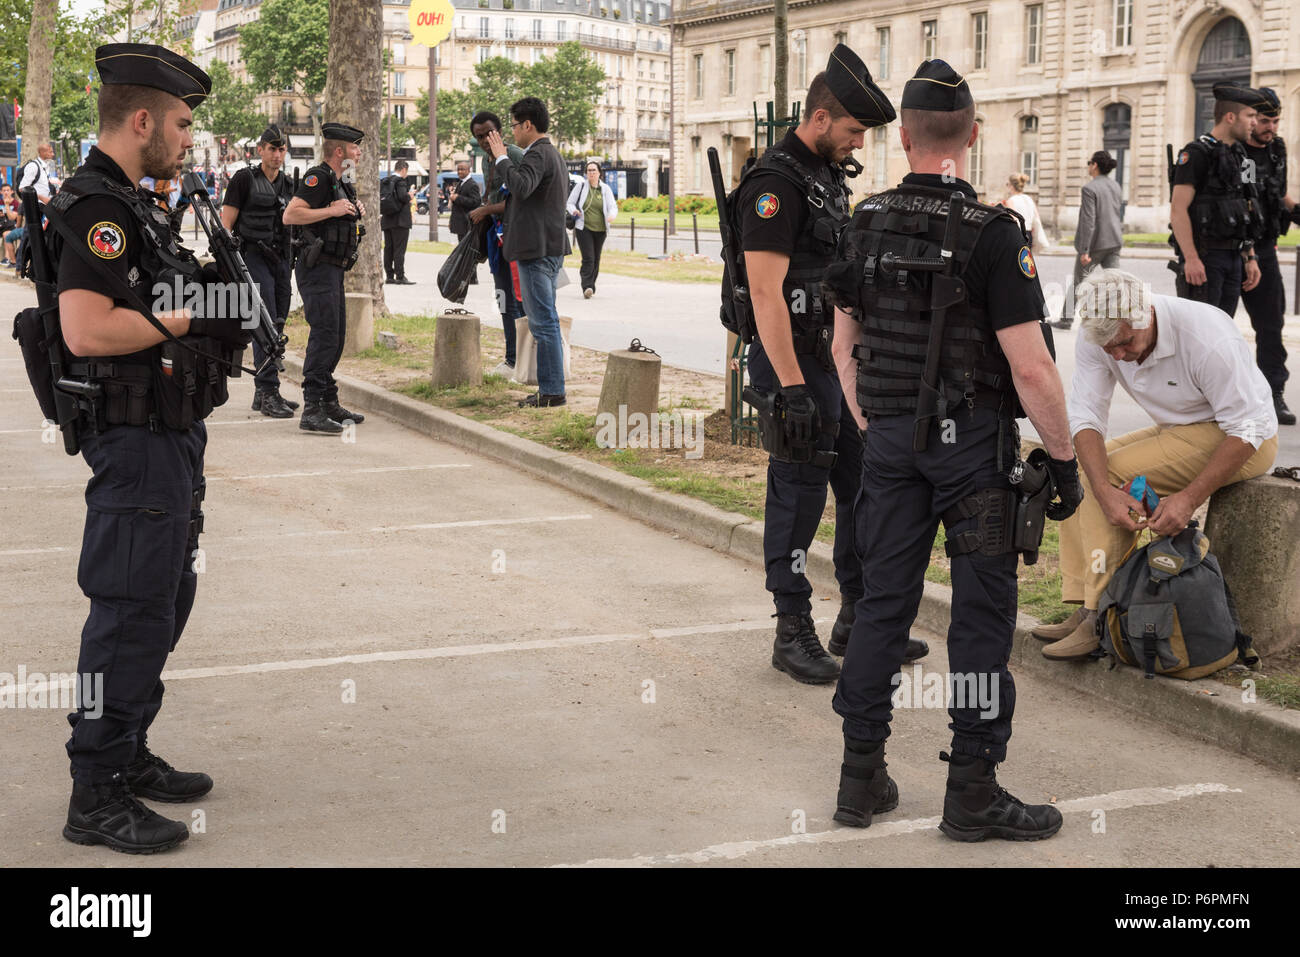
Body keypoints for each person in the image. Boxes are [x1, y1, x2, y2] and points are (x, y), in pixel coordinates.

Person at [824, 59, 1082, 840]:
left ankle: (859, 777)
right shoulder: (995, 235)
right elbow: (1033, 367)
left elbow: (844, 346)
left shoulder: (863, 219)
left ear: (901, 136)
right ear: (971, 137)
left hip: (893, 442)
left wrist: (876, 425)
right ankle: (971, 789)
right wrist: (1064, 465)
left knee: (879, 607)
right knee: (978, 617)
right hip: (972, 450)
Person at [48, 42, 253, 854]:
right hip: (133, 439)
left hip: (166, 432)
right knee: (130, 609)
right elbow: (86, 327)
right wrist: (189, 315)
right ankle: (94, 791)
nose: (187, 135)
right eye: (180, 121)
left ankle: (126, 750)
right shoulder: (97, 210)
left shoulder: (135, 203)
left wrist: (205, 294)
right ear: (142, 120)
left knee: (164, 599)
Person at [732, 45, 923, 685]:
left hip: (832, 363)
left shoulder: (822, 178)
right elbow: (765, 294)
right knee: (798, 494)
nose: (855, 144)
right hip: (792, 367)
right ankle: (792, 629)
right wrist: (789, 389)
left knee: (862, 483)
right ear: (819, 118)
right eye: (851, 131)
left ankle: (858, 618)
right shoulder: (774, 184)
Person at [1034, 268, 1279, 659]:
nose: (1117, 355)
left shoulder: (1207, 335)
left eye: (1125, 343)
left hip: (1246, 438)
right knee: (1086, 472)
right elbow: (1086, 416)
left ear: (1144, 314)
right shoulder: (1101, 334)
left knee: (1114, 473)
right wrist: (1100, 489)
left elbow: (1249, 426)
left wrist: (1187, 498)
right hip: (1181, 429)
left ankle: (1102, 620)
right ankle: (1085, 607)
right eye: (1108, 348)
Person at [484, 97, 570, 408]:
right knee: (546, 319)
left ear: (528, 125)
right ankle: (552, 388)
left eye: (515, 126)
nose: (513, 132)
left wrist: (501, 158)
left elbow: (521, 186)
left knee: (542, 322)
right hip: (548, 247)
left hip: (537, 250)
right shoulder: (553, 154)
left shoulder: (537, 154)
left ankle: (551, 392)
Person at [283, 121, 368, 433]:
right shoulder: (318, 177)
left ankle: (328, 400)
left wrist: (351, 208)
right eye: (355, 148)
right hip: (316, 268)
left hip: (333, 269)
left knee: (336, 335)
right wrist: (331, 211)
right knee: (324, 335)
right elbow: (291, 214)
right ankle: (312, 408)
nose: (359, 153)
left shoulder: (340, 181)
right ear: (339, 151)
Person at [221, 123, 299, 418]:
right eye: (272, 149)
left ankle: (262, 390)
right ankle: (269, 393)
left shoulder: (289, 184)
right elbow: (226, 224)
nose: (277, 154)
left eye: (281, 149)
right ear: (260, 150)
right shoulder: (244, 179)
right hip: (252, 257)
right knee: (263, 323)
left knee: (277, 322)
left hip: (281, 259)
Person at [1170, 83, 1262, 317]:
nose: (1255, 122)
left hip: (1234, 258)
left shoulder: (1241, 155)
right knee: (1200, 332)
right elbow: (1178, 210)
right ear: (1230, 117)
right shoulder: (1195, 154)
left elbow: (1248, 203)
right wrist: (1191, 258)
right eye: (1250, 116)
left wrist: (1250, 257)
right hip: (1205, 258)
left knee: (1223, 328)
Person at [1241, 88, 1299, 426]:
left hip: (1264, 247)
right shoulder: (1233, 150)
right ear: (1250, 118)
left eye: (1276, 121)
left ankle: (1272, 394)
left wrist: (1295, 209)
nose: (1271, 128)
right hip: (1232, 249)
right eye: (1265, 120)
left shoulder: (1276, 148)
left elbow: (1276, 192)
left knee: (1271, 326)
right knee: (1217, 327)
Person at [469, 111, 525, 378]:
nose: (483, 140)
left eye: (488, 134)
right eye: (478, 136)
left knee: (521, 299)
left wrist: (486, 210)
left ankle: (524, 358)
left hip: (518, 237)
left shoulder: (514, 156)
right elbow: (491, 194)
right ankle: (512, 357)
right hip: (497, 237)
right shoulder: (484, 160)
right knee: (503, 298)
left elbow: (523, 197)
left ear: (499, 132)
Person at [1055, 150, 1124, 331]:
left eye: (1089, 163)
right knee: (1115, 282)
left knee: (1079, 282)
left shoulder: (1090, 188)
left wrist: (1084, 250)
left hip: (1095, 245)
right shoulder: (1116, 186)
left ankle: (1066, 320)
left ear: (1094, 165)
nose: (1088, 166)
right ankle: (1119, 319)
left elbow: (1088, 220)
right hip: (1115, 241)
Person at [567, 160, 617, 298]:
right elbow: (569, 203)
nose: (591, 173)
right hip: (584, 228)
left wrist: (611, 216)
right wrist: (574, 211)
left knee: (596, 259)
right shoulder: (581, 186)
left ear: (599, 173)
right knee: (588, 258)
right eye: (589, 170)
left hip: (601, 229)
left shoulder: (605, 189)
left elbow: (613, 206)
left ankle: (591, 285)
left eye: (594, 170)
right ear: (586, 173)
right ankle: (587, 286)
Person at [381, 159, 415, 285]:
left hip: (387, 219)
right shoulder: (400, 181)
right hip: (400, 221)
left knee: (388, 248)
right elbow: (402, 197)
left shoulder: (386, 180)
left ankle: (389, 276)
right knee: (399, 249)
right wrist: (409, 196)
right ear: (404, 169)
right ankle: (400, 276)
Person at [1001, 173, 1047, 251]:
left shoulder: (1011, 201)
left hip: (1017, 235)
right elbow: (1036, 218)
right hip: (1029, 235)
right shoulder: (1029, 199)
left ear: (1011, 186)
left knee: (1016, 261)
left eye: (1007, 184)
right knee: (1027, 261)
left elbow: (1014, 220)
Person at [448, 159, 481, 244]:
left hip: (466, 223)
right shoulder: (460, 183)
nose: (459, 171)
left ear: (468, 170)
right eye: (458, 169)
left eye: (462, 169)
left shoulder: (472, 184)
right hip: (459, 223)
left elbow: (476, 202)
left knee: (466, 248)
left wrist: (458, 198)